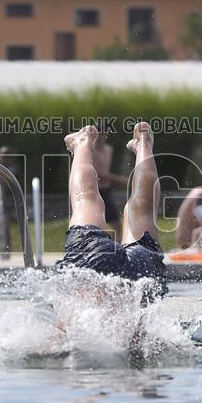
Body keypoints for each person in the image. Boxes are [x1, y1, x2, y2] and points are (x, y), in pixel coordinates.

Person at [55, 122, 167, 303]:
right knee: (87, 199)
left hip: (128, 265)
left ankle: (143, 144)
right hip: (101, 261)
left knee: (143, 207)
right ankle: (86, 142)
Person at [93, 124, 130, 239]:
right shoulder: (90, 151)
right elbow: (97, 173)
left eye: (103, 135)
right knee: (95, 224)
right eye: (99, 135)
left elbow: (105, 172)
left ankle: (118, 249)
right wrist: (120, 180)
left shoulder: (109, 150)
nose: (101, 138)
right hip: (94, 191)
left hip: (106, 190)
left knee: (116, 224)